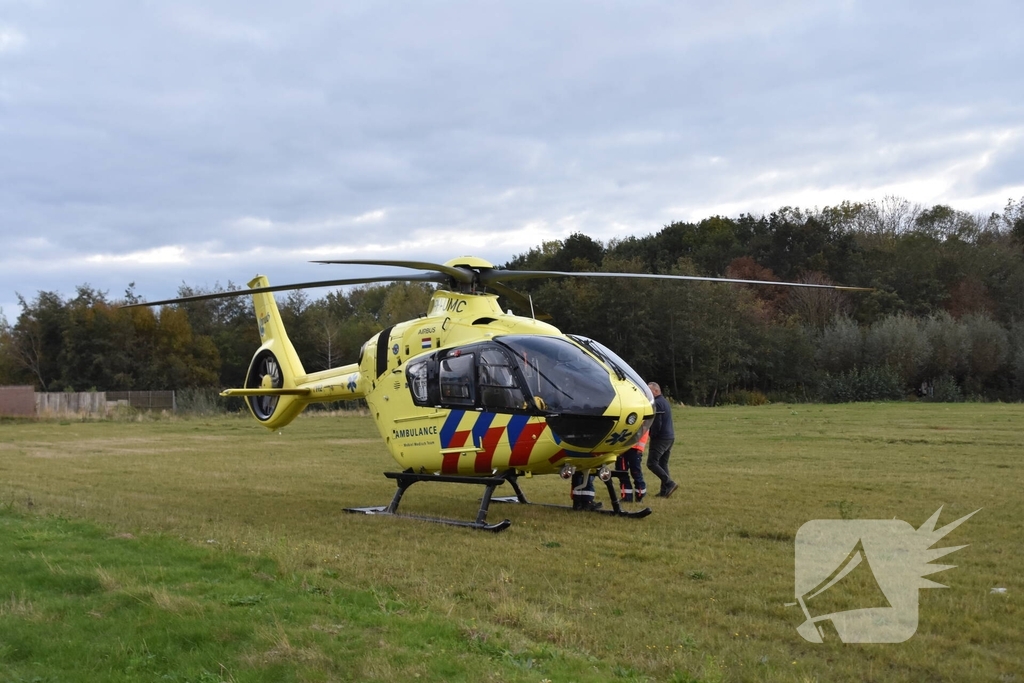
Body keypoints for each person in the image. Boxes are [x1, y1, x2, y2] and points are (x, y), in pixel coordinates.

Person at [646, 382, 677, 497]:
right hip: (669, 437)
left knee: (651, 463)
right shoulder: (664, 402)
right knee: (663, 464)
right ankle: (665, 491)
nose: (647, 393)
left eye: (649, 391)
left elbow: (657, 423)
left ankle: (669, 483)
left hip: (660, 438)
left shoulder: (657, 403)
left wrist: (652, 435)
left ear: (656, 391)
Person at [616, 423, 648, 502]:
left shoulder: (642, 419)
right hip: (623, 448)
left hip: (634, 448)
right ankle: (627, 497)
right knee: (622, 472)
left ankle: (640, 495)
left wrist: (640, 448)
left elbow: (645, 430)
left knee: (635, 472)